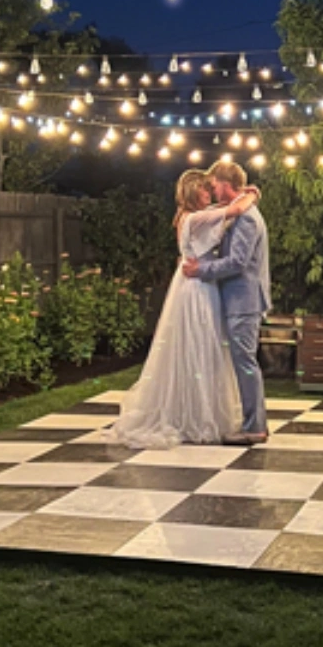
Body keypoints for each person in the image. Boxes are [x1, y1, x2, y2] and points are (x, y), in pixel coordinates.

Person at [109, 169, 258, 449]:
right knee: (199, 347)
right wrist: (252, 194)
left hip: (201, 282)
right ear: (192, 191)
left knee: (203, 348)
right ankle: (194, 415)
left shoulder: (195, 216)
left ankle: (198, 410)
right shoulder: (193, 218)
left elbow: (224, 210)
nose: (209, 193)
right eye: (204, 189)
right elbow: (234, 210)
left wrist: (240, 196)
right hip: (197, 286)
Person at [182, 160, 270, 445]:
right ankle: (252, 423)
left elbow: (238, 262)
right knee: (243, 361)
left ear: (225, 184)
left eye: (214, 185)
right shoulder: (239, 212)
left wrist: (202, 270)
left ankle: (254, 427)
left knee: (245, 363)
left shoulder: (246, 218)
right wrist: (251, 193)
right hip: (239, 299)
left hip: (243, 301)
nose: (212, 190)